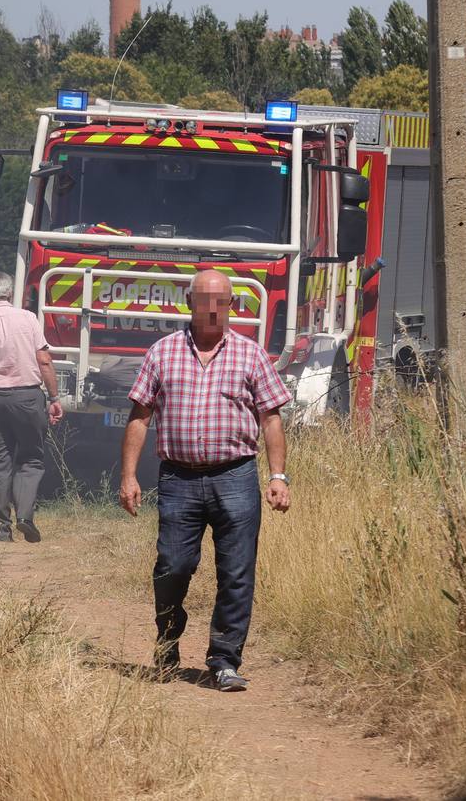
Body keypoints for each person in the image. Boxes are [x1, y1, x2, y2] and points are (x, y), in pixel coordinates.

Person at [117, 269, 292, 692]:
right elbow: (140, 416)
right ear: (189, 303)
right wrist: (128, 476)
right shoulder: (163, 352)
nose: (212, 309)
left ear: (233, 306)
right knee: (172, 567)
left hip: (235, 478)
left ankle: (224, 660)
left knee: (236, 572)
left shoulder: (251, 355)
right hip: (178, 480)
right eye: (204, 300)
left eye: (221, 301)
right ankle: (167, 643)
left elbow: (270, 418)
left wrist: (278, 476)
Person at [0, 272, 63, 542]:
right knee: (30, 458)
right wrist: (53, 398)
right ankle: (25, 515)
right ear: (10, 294)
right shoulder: (28, 318)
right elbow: (44, 360)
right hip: (28, 397)